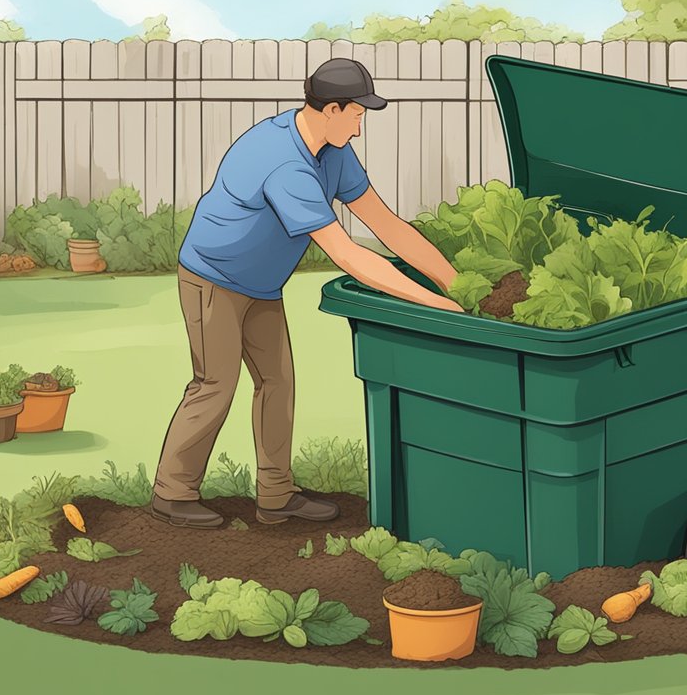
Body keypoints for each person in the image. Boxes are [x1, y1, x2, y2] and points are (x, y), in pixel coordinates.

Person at [150, 57, 464, 529]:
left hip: (261, 284)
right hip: (212, 276)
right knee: (216, 384)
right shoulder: (283, 161)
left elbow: (387, 226)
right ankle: (172, 493)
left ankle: (276, 496)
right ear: (332, 109)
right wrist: (437, 304)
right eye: (358, 116)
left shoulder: (332, 151)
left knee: (278, 382)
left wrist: (455, 283)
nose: (360, 129)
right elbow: (347, 253)